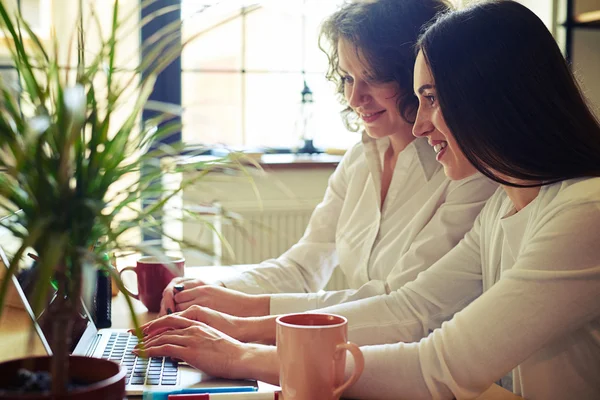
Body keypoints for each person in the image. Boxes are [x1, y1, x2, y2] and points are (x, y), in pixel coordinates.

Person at [135, 1, 600, 399]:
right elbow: (410, 308)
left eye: (433, 99)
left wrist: (242, 352)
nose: (420, 124)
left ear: (493, 97)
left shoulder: (584, 213)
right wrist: (237, 331)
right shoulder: (505, 203)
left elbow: (434, 359)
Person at [158, 0, 496, 320]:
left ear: (418, 73)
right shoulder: (359, 161)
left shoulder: (466, 169)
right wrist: (215, 287)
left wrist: (245, 308)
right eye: (348, 78)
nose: (354, 97)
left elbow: (398, 301)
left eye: (374, 77)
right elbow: (303, 268)